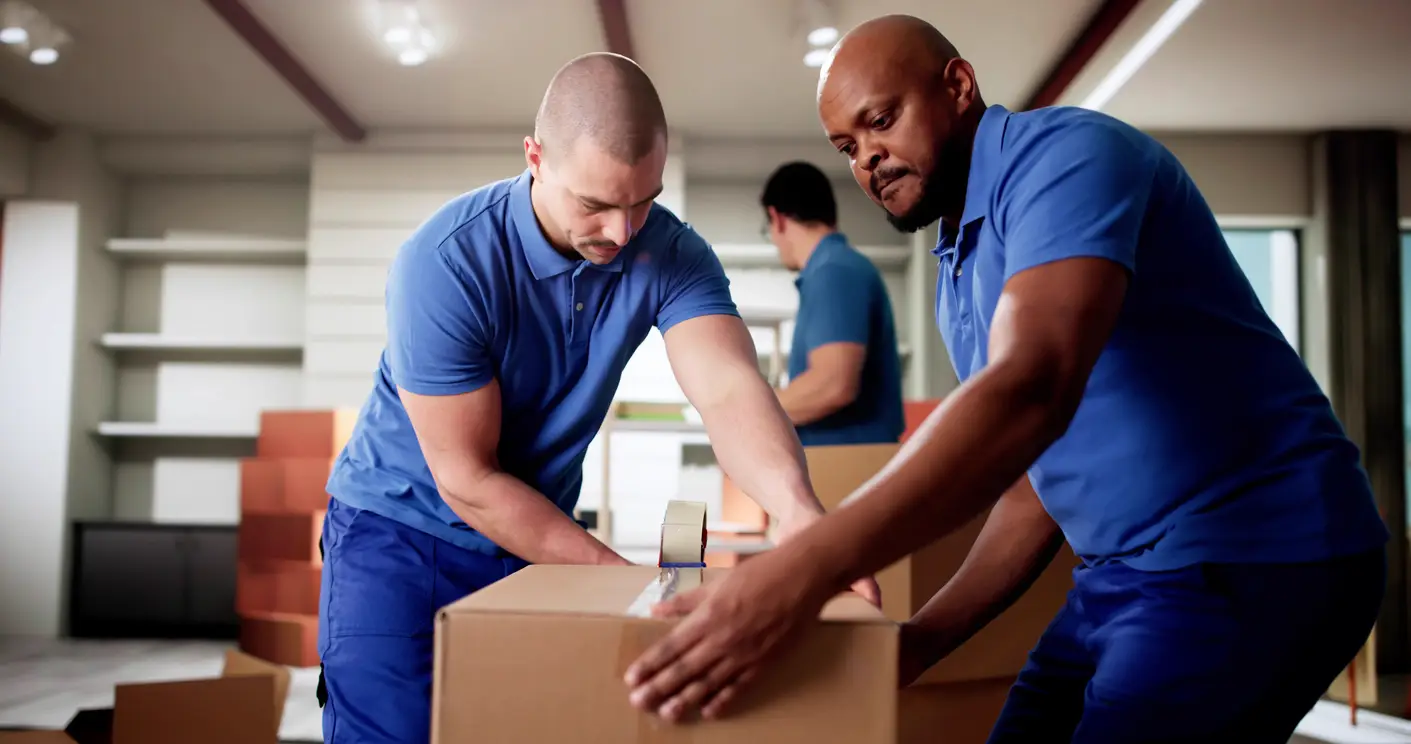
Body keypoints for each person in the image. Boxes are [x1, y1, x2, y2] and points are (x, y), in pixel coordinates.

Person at [624, 15, 1389, 742]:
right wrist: (920, 644)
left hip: (1251, 555)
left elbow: (1032, 386)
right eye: (846, 147)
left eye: (880, 121)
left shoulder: (1068, 157)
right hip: (1116, 578)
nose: (866, 161)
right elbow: (1034, 487)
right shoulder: (957, 264)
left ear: (957, 86)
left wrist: (800, 569)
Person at [316, 52, 879, 743]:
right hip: (401, 535)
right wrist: (630, 586)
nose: (620, 232)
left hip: (533, 536)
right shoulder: (445, 263)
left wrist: (798, 516)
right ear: (535, 158)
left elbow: (728, 388)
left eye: (643, 201)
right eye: (595, 203)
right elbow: (467, 478)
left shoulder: (670, 251)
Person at [760, 161, 905, 446]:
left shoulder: (834, 270)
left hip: (849, 469)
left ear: (776, 219)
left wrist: (752, 411)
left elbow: (832, 384)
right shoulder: (833, 269)